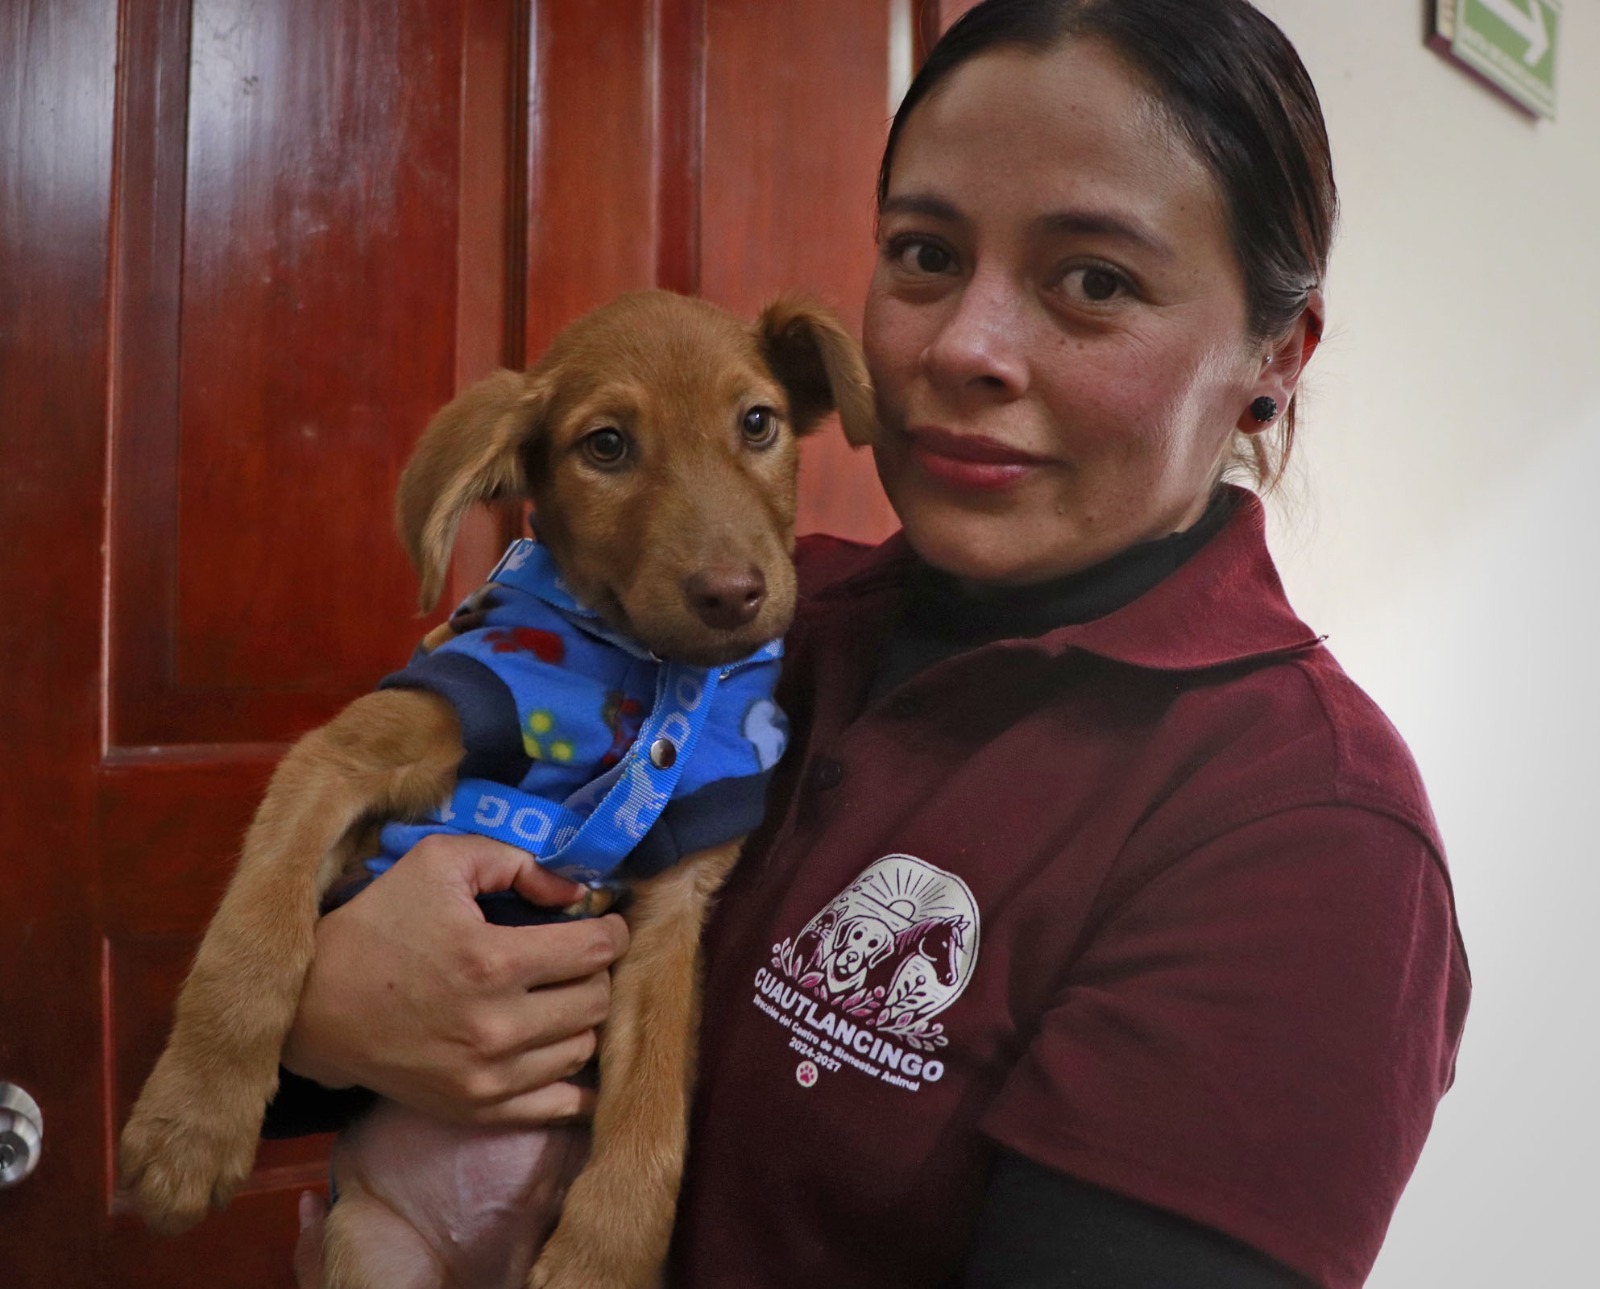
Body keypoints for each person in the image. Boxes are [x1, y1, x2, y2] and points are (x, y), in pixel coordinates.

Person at [281, 2, 1470, 1285]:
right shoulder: (745, 627)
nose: (964, 345)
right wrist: (320, 1012)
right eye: (923, 252)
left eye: (1095, 280)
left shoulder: (1304, 835)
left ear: (1273, 357)